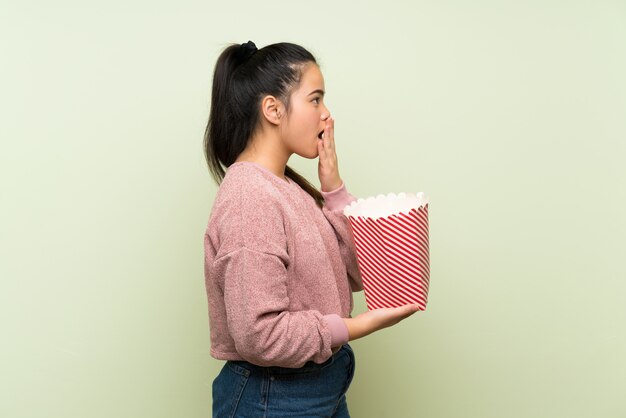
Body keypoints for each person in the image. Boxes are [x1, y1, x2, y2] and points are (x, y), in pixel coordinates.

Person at [203, 40, 420, 418]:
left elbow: (356, 273)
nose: (326, 114)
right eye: (315, 99)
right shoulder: (249, 198)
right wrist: (358, 325)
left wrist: (334, 189)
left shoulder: (288, 188)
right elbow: (260, 335)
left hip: (319, 385)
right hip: (273, 396)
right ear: (272, 109)